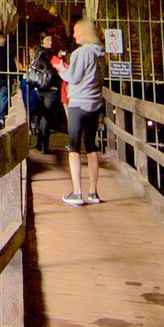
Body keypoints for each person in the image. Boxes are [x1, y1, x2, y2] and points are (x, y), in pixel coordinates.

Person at [54, 21, 107, 205]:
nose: (74, 35)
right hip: (95, 104)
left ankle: (77, 193)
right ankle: (93, 192)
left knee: (74, 147)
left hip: (78, 104)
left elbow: (74, 78)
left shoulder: (81, 52)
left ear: (84, 33)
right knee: (91, 147)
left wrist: (61, 69)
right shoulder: (100, 53)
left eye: (76, 32)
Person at [19, 32, 63, 151]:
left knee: (41, 115)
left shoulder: (38, 53)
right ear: (42, 41)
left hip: (38, 88)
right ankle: (44, 143)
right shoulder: (48, 54)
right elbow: (52, 71)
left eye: (51, 40)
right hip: (49, 88)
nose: (50, 42)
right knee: (46, 116)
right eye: (48, 40)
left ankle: (40, 141)